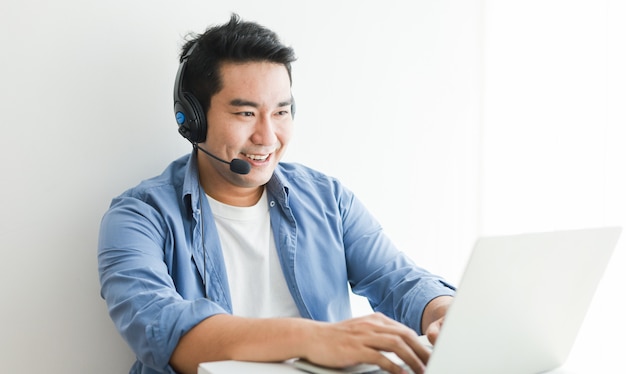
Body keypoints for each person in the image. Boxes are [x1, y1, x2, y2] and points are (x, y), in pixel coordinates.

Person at [98, 14, 455, 374]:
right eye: (246, 113)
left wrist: (443, 311)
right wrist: (314, 339)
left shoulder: (327, 199)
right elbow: (165, 333)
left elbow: (398, 280)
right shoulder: (137, 218)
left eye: (281, 111)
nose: (267, 137)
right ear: (192, 119)